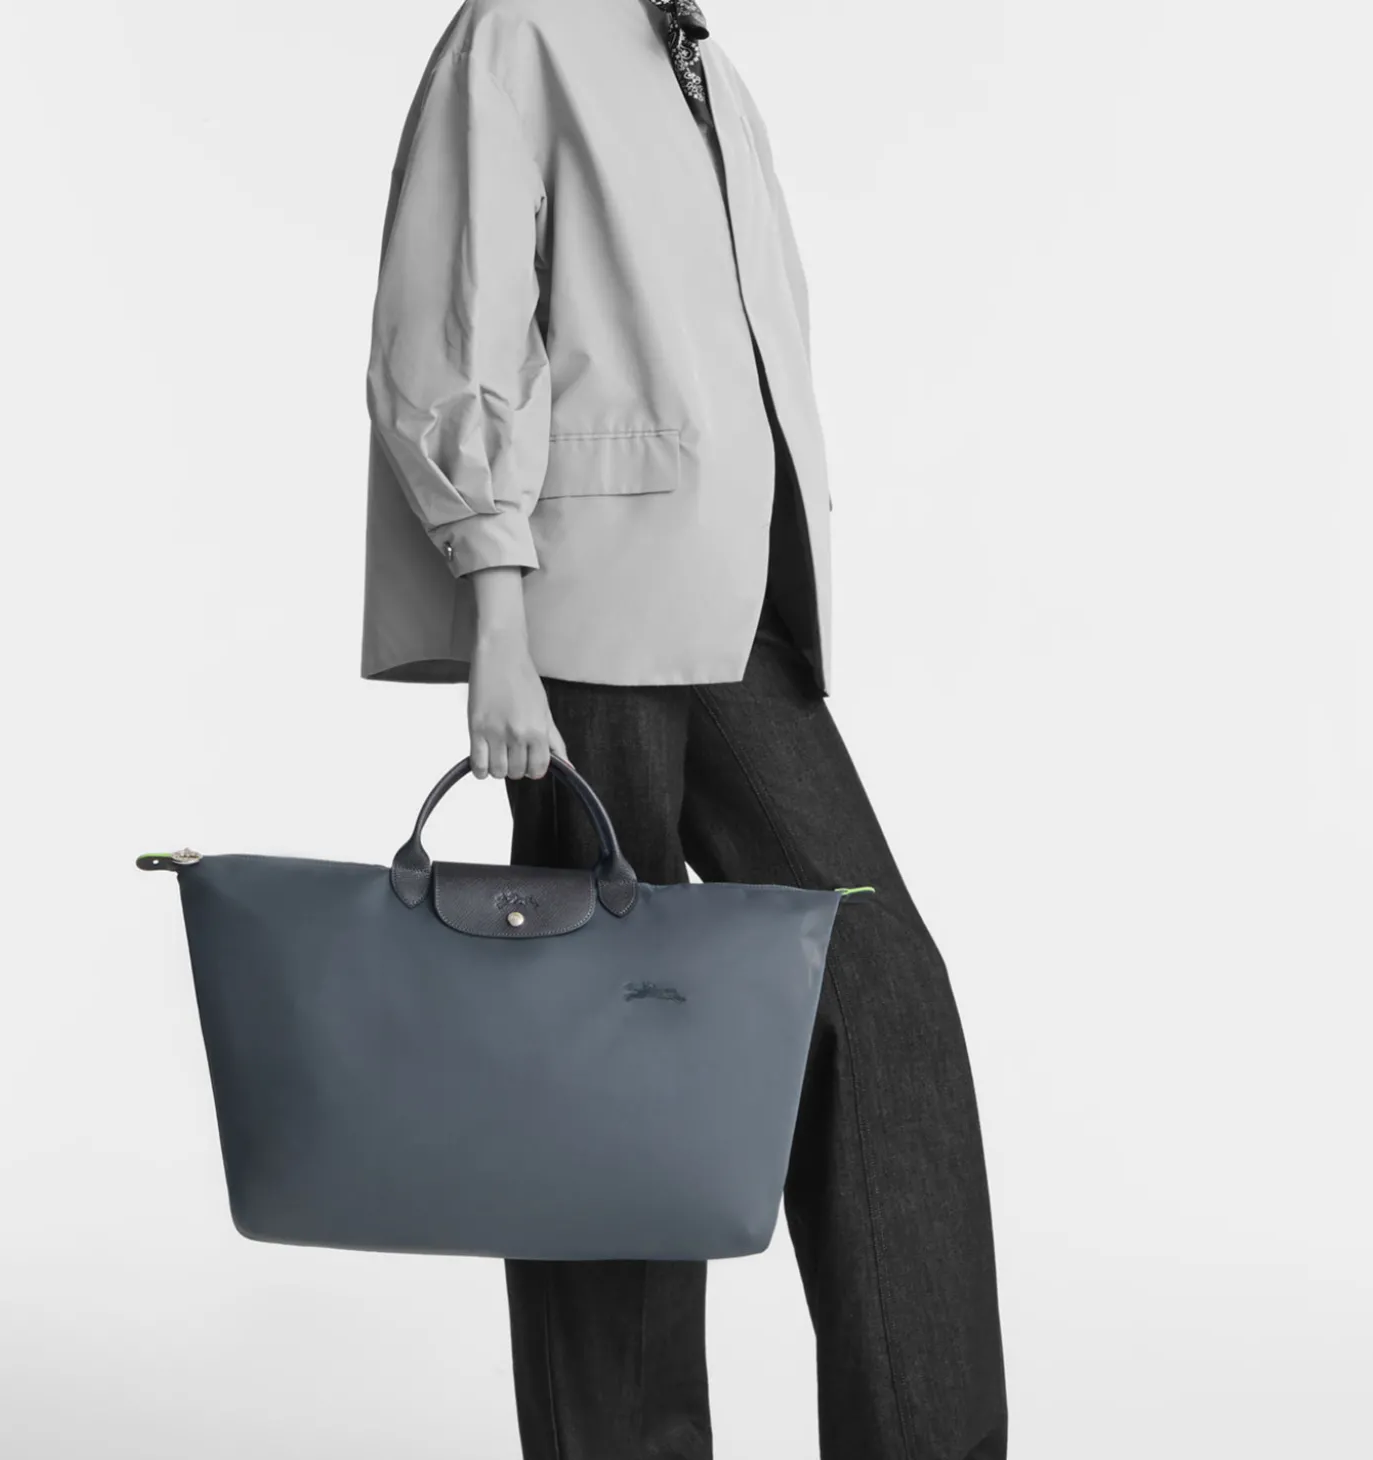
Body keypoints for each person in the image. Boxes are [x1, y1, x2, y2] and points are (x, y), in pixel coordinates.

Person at [361, 1, 1008, 1455]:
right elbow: (452, 328)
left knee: (882, 1002)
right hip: (583, 624)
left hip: (732, 623)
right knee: (609, 1059)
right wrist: (498, 616)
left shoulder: (699, 58)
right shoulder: (523, 29)